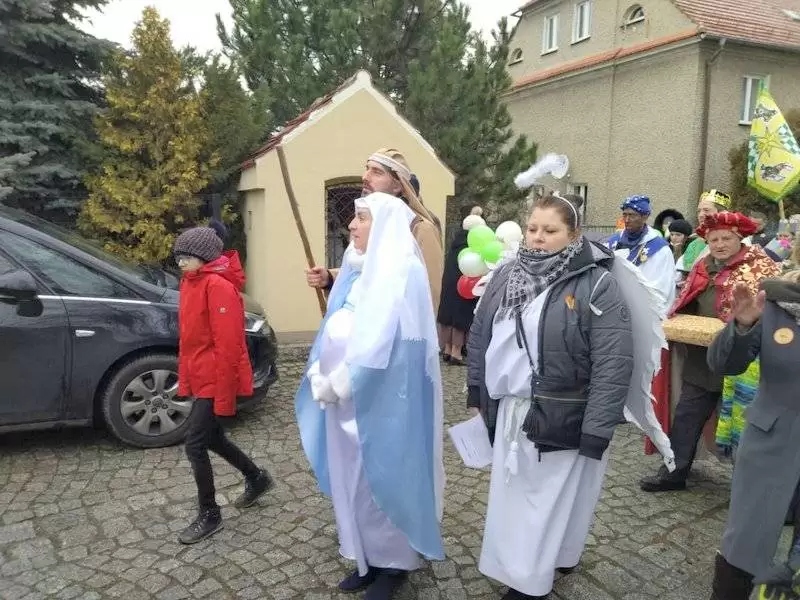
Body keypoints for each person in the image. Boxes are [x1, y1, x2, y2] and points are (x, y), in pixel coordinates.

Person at [467, 193, 671, 600]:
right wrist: (477, 390)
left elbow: (613, 360)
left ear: (574, 235)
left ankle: (529, 584)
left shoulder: (596, 284)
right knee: (516, 499)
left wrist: (597, 428)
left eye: (550, 230)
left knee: (546, 501)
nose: (537, 237)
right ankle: (540, 561)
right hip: (512, 409)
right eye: (532, 228)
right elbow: (480, 333)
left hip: (564, 411)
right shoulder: (508, 275)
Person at [295, 192, 445, 600]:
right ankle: (365, 556)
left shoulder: (403, 272)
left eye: (361, 218)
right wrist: (319, 370)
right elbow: (334, 322)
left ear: (385, 226)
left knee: (383, 477)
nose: (351, 225)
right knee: (352, 479)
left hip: (384, 403)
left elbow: (395, 344)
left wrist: (344, 380)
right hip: (342, 403)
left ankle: (394, 563)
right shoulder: (357, 266)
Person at [640, 212, 781, 493]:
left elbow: (772, 312)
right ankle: (674, 472)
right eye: (713, 240)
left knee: (744, 423)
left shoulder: (761, 266)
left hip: (745, 360)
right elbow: (687, 300)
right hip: (702, 357)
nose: (719, 244)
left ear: (739, 238)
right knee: (687, 415)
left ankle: (749, 485)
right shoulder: (703, 266)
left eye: (726, 238)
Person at [173, 227, 272, 544]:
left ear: (204, 258)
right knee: (212, 437)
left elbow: (229, 345)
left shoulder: (218, 286)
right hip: (201, 373)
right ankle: (256, 477)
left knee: (195, 443)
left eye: (186, 257)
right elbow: (191, 337)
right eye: (178, 257)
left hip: (216, 376)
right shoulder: (191, 282)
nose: (181, 263)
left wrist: (225, 391)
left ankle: (210, 513)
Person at [706, 268, 800, 600]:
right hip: (771, 442)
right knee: (745, 543)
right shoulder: (774, 303)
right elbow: (722, 364)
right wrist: (742, 326)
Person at [305, 148, 444, 311]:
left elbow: (427, 294)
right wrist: (330, 278)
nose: (365, 177)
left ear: (397, 186)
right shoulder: (367, 222)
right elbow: (365, 270)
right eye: (367, 169)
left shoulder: (420, 228)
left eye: (377, 172)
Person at [606, 195, 676, 309]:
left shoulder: (660, 249)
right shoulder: (612, 242)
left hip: (643, 310)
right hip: (614, 306)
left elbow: (663, 288)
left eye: (632, 215)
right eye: (624, 215)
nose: (627, 220)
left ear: (645, 217)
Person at [437, 205, 483, 365]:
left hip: (449, 283)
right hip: (463, 285)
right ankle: (456, 353)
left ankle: (448, 349)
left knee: (448, 316)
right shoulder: (471, 244)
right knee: (460, 317)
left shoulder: (456, 241)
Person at [677, 189, 732, 276]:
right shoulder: (694, 243)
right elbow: (680, 272)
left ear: (722, 213)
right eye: (699, 211)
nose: (701, 215)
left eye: (706, 210)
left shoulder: (735, 240)